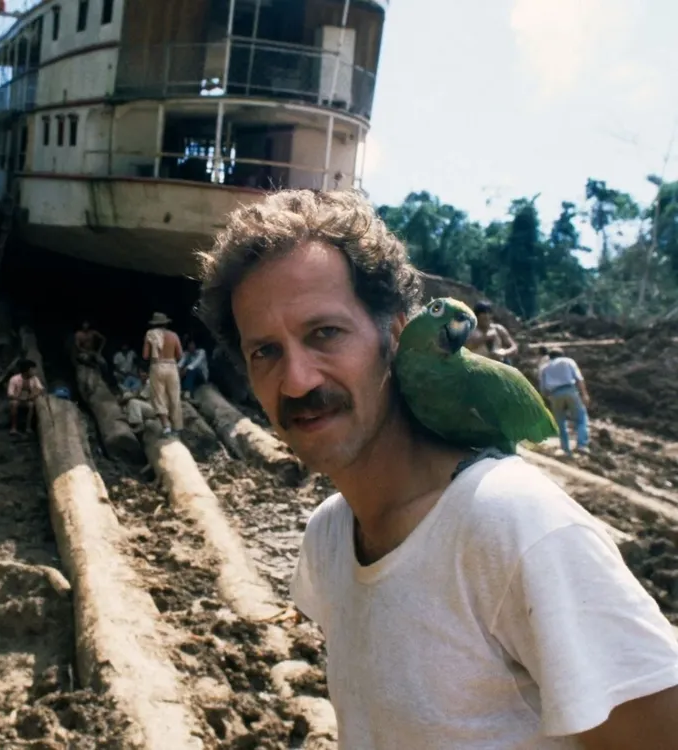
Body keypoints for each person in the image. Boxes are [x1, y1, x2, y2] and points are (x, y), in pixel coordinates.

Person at [196, 188, 678, 749]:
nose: (298, 380)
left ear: (396, 334)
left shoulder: (514, 526)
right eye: (266, 353)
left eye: (324, 333)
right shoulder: (329, 537)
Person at [539, 347, 591, 457]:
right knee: (581, 418)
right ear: (562, 355)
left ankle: (565, 449)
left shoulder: (544, 367)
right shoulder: (568, 361)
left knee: (560, 422)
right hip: (570, 390)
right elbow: (579, 379)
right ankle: (582, 445)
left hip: (554, 394)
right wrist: (584, 394)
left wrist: (548, 398)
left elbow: (543, 388)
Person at [142, 312, 183, 435]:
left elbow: (145, 356)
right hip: (171, 366)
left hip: (157, 366)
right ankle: (177, 427)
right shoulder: (173, 335)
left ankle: (166, 427)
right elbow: (180, 355)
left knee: (159, 397)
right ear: (166, 323)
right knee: (174, 397)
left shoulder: (150, 335)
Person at [465, 300, 518, 364]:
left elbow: (514, 347)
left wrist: (504, 352)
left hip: (498, 366)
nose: (487, 316)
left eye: (489, 313)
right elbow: (467, 347)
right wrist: (486, 337)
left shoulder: (498, 329)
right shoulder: (470, 330)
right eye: (483, 313)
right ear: (477, 316)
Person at [7, 358, 44, 436]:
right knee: (14, 404)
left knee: (31, 405)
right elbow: (10, 393)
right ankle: (13, 427)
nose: (34, 371)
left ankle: (28, 427)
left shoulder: (34, 379)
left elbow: (40, 389)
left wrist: (33, 395)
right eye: (32, 369)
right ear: (27, 370)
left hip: (29, 399)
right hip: (17, 399)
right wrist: (19, 398)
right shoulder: (14, 379)